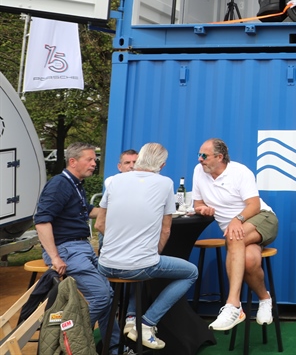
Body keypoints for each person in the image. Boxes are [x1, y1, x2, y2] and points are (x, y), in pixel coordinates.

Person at [96, 142, 198, 350]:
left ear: (139, 159)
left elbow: (99, 224)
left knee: (139, 268)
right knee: (191, 273)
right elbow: (166, 230)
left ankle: (131, 318)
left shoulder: (114, 181)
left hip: (104, 265)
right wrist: (151, 253)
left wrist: (119, 242)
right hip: (139, 266)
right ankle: (147, 323)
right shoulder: (165, 183)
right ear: (162, 165)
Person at [33, 142, 121, 354]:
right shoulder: (60, 184)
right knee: (101, 296)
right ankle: (65, 339)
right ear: (73, 161)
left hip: (80, 247)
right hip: (67, 249)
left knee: (108, 295)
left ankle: (114, 347)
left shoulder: (75, 184)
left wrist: (119, 209)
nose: (94, 163)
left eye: (94, 159)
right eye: (89, 159)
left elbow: (88, 210)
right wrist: (55, 257)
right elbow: (42, 221)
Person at [193, 138, 279, 331]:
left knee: (233, 237)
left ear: (219, 157)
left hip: (262, 218)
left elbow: (254, 205)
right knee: (249, 260)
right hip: (239, 231)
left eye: (204, 155)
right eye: (199, 155)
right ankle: (265, 299)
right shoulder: (199, 171)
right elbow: (197, 203)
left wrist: (237, 219)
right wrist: (202, 209)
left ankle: (233, 305)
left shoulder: (240, 172)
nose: (200, 159)